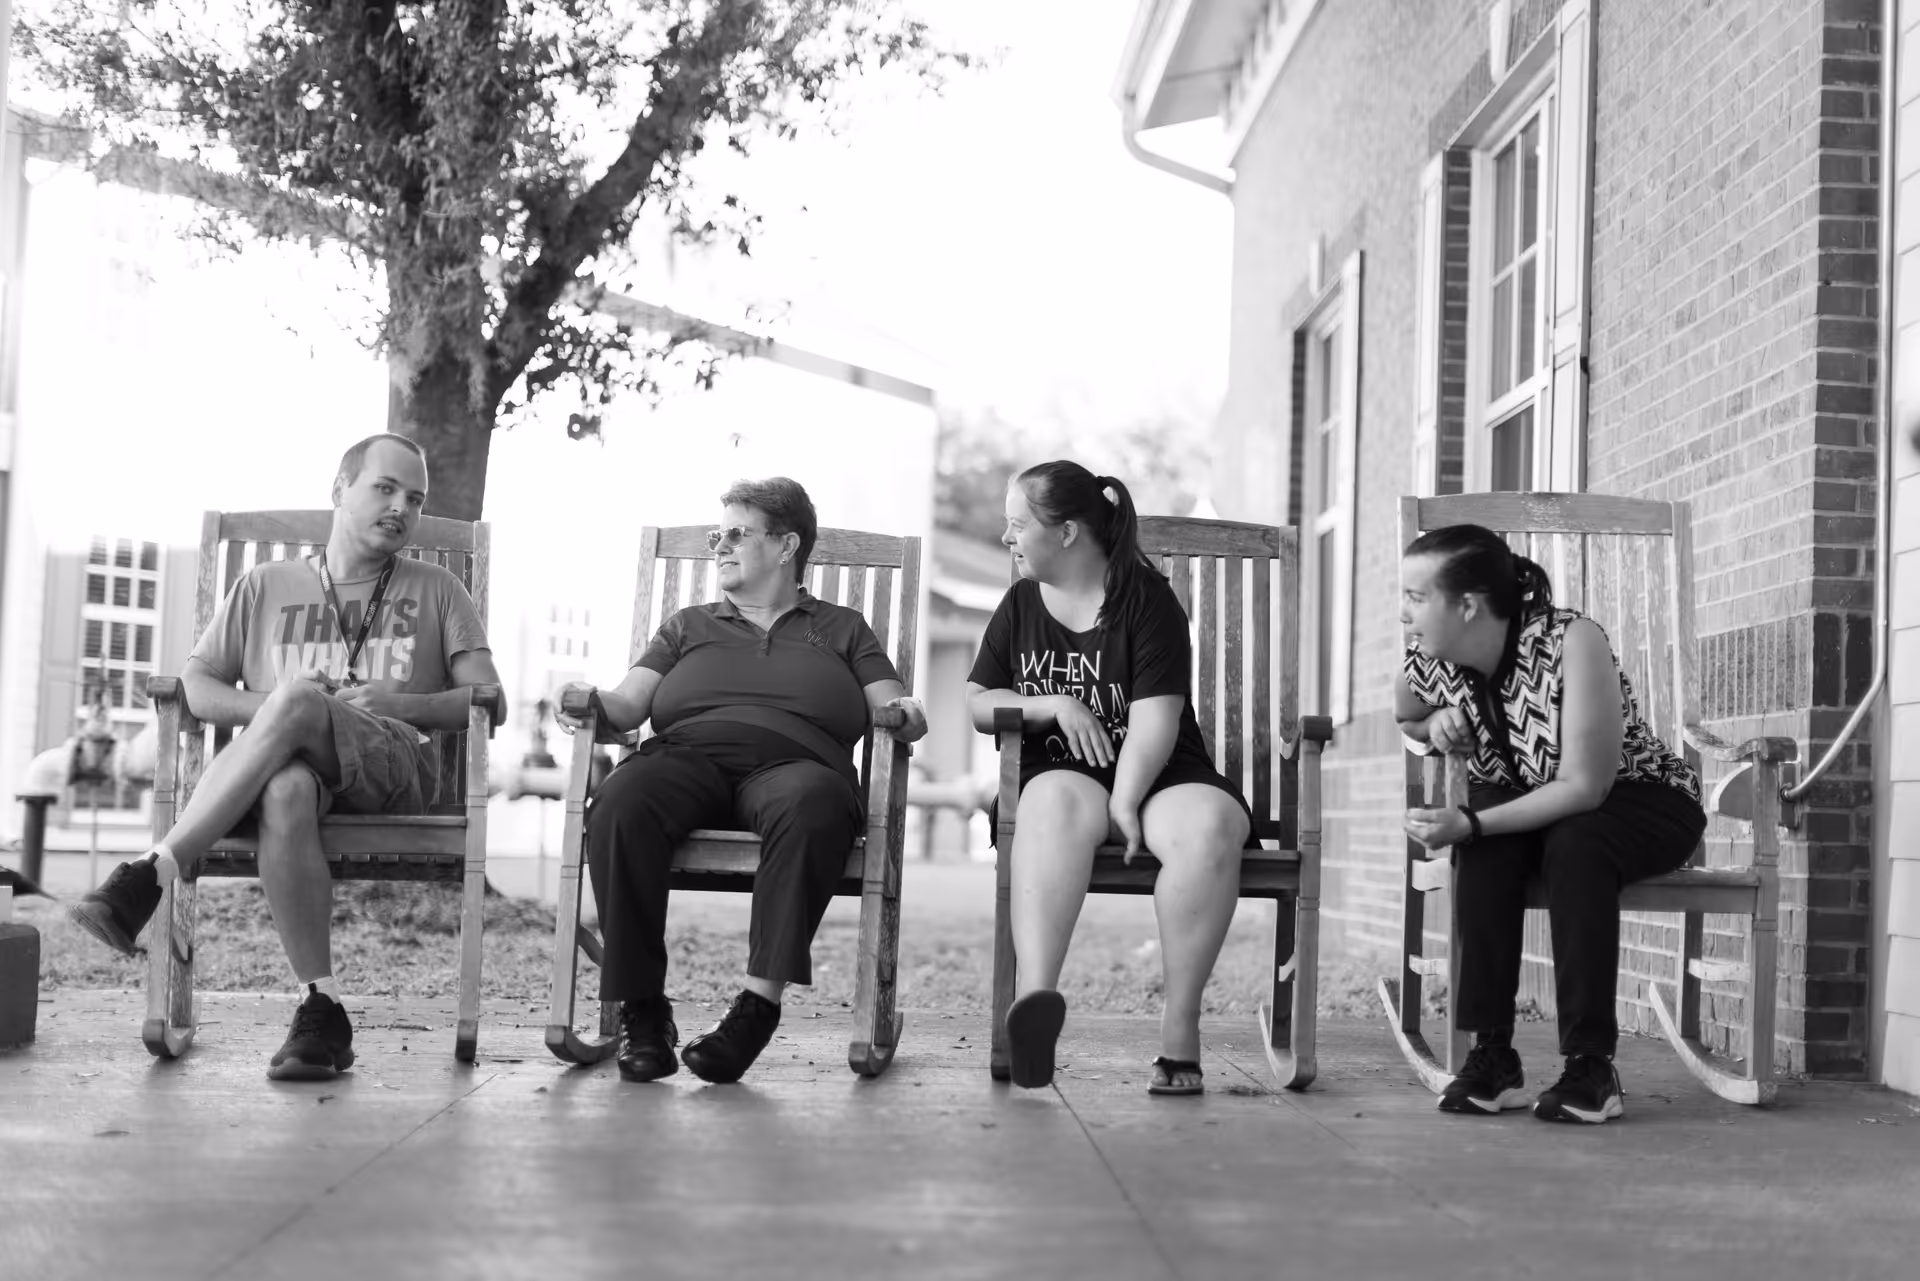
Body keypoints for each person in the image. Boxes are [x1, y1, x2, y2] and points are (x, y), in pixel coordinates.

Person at [69, 434, 501, 1081]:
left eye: (414, 498)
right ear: (339, 489)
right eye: (384, 488)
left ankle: (149, 872)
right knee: (285, 788)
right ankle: (321, 1007)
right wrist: (281, 710)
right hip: (284, 775)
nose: (401, 508)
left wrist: (398, 701)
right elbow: (199, 687)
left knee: (298, 704)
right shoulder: (264, 585)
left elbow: (490, 698)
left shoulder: (437, 588)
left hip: (394, 765)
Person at [556, 478, 927, 1085]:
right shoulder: (687, 626)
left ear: (786, 546)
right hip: (685, 758)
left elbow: (894, 707)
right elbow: (625, 707)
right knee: (621, 800)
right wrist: (580, 696)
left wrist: (908, 713)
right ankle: (642, 1011)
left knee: (815, 804)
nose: (719, 546)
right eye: (715, 535)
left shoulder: (843, 628)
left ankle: (756, 1010)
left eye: (736, 534)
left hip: (797, 768)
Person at [1397, 525, 1706, 1124]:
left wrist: (1470, 823)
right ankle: (1492, 1056)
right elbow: (1406, 714)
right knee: (1489, 844)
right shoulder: (1431, 657)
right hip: (1539, 805)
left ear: (1466, 606)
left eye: (1415, 596)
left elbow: (1585, 788)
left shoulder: (1571, 641)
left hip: (1640, 797)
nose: (1404, 613)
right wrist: (1435, 723)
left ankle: (1591, 1065)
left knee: (1572, 840)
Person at [966, 461, 1254, 1095]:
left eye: (1018, 525)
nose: (1008, 539)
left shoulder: (1146, 600)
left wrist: (1127, 799)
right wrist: (1052, 705)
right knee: (1048, 805)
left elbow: (1156, 722)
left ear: (1067, 532)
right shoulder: (1019, 603)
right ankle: (1035, 1007)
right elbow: (978, 701)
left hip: (1161, 771)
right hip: (1063, 775)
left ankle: (1180, 1032)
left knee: (1210, 826)